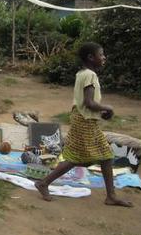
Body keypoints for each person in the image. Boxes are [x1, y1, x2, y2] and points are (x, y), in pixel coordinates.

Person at [34, 42, 132, 207]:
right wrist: (107, 107)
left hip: (85, 120)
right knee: (90, 157)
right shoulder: (90, 75)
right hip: (85, 122)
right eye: (101, 55)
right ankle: (44, 183)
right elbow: (88, 103)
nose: (104, 57)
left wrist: (100, 112)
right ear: (91, 57)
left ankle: (111, 196)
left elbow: (85, 103)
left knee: (98, 156)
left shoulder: (82, 73)